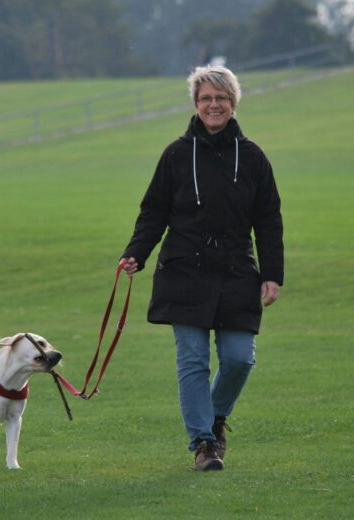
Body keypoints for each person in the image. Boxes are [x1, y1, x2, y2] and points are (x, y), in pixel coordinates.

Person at [120, 65, 284, 471]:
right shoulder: (176, 155)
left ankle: (215, 418)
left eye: (221, 98)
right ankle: (204, 443)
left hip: (236, 270)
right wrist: (137, 252)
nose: (214, 105)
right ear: (196, 104)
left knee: (239, 359)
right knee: (193, 359)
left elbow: (268, 220)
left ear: (233, 104)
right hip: (184, 270)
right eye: (206, 98)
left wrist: (272, 273)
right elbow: (153, 211)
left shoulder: (253, 157)